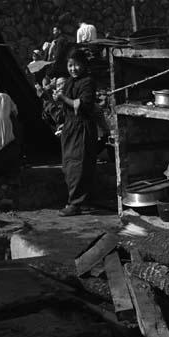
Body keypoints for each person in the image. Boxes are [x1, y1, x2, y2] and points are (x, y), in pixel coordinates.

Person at [52, 49, 97, 216]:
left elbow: (83, 105)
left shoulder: (88, 82)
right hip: (71, 126)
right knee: (69, 164)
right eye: (70, 65)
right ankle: (80, 200)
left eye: (77, 65)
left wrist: (63, 98)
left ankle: (75, 203)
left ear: (84, 65)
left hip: (82, 127)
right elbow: (67, 106)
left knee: (78, 165)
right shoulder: (71, 81)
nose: (73, 68)